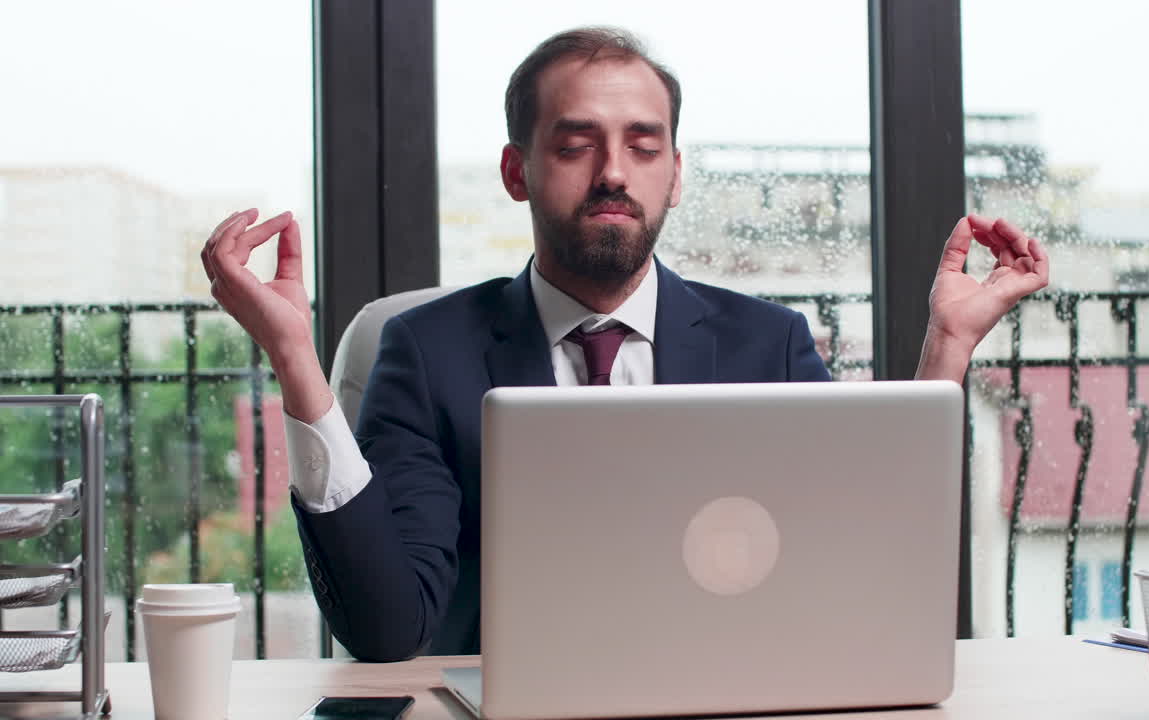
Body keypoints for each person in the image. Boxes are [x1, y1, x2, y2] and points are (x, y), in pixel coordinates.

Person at [200, 27, 1048, 661]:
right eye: (576, 144)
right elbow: (388, 630)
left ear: (675, 173)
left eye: (644, 146)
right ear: (516, 171)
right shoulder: (427, 353)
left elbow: (863, 578)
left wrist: (947, 347)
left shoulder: (769, 346)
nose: (614, 172)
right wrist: (295, 360)